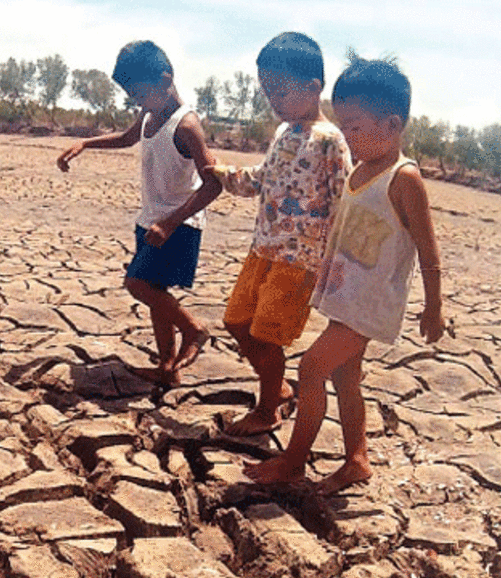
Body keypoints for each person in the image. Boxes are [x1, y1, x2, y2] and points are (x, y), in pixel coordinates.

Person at [243, 54, 444, 494]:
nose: (346, 134)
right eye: (343, 124)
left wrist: (434, 307)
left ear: (391, 126)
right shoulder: (360, 170)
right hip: (345, 297)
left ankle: (294, 462)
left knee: (311, 369)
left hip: (369, 304)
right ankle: (357, 459)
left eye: (354, 126)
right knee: (345, 380)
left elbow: (429, 250)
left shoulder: (404, 179)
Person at [191, 32, 352, 437]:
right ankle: (277, 389)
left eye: (280, 92)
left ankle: (267, 411)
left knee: (267, 336)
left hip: (298, 260)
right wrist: (222, 173)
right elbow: (261, 181)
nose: (273, 101)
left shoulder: (330, 140)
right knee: (236, 323)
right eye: (268, 93)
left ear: (314, 88)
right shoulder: (284, 134)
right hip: (261, 250)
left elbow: (342, 202)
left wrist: (338, 262)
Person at [57, 40, 222, 385]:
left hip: (178, 224)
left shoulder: (186, 125)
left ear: (165, 81)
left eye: (139, 94)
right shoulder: (151, 112)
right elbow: (128, 138)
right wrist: (86, 144)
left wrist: (171, 222)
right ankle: (167, 369)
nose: (137, 102)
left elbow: (213, 185)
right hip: (151, 219)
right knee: (156, 294)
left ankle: (193, 330)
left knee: (138, 284)